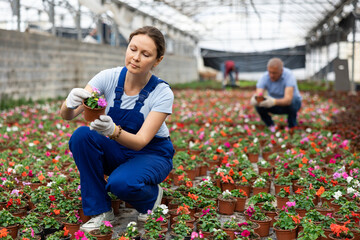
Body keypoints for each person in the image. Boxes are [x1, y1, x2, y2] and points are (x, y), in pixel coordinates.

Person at [60, 26, 174, 232]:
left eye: (145, 54)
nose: (136, 57)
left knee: (121, 184)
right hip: (118, 149)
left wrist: (113, 131)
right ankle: (101, 211)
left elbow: (140, 142)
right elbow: (68, 115)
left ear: (157, 60)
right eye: (133, 49)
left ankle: (151, 197)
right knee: (81, 136)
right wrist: (69, 102)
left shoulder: (162, 92)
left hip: (151, 153)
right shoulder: (108, 77)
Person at [250, 58, 302, 128]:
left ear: (281, 71)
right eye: (269, 72)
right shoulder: (265, 77)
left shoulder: (289, 75)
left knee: (294, 99)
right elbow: (259, 94)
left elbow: (288, 100)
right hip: (273, 105)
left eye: (274, 73)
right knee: (259, 105)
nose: (271, 75)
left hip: (289, 105)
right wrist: (257, 99)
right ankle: (270, 125)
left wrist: (273, 101)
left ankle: (292, 125)